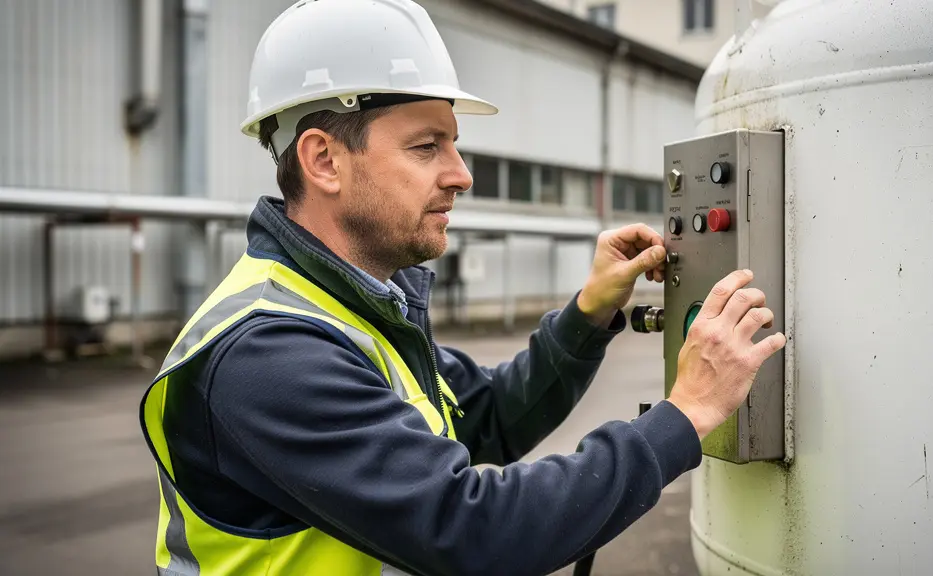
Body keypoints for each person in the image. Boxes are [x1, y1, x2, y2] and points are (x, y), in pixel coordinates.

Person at [138, 1, 786, 574]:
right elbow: (474, 533)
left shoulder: (356, 309)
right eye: (427, 147)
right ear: (324, 160)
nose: (462, 175)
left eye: (454, 145)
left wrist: (588, 314)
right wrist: (688, 413)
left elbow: (489, 417)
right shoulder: (269, 354)